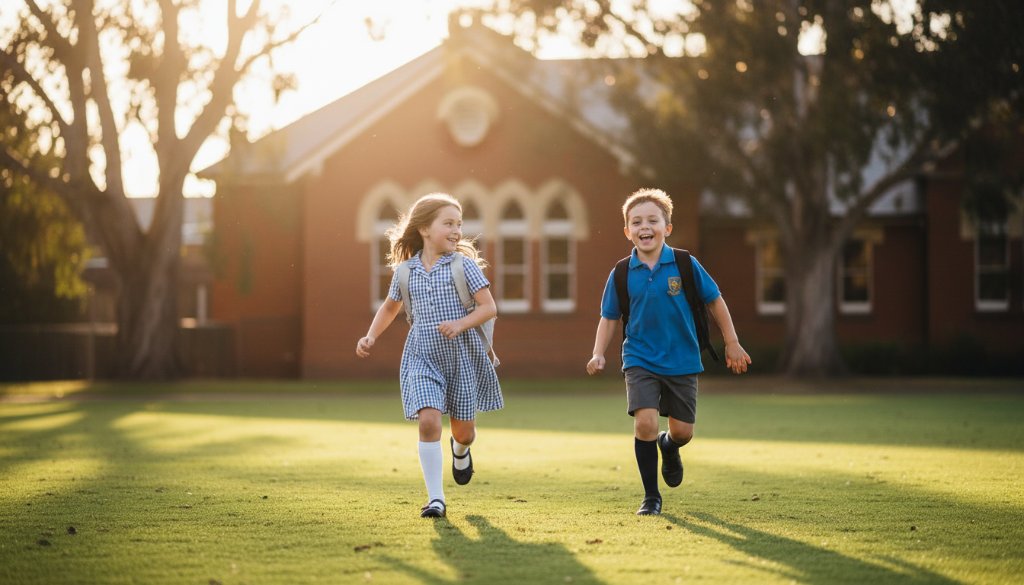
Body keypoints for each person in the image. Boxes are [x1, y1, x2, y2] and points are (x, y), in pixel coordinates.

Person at [586, 188, 751, 516]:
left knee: (682, 432)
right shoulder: (621, 272)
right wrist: (598, 353)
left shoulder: (685, 264)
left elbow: (714, 300)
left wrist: (731, 341)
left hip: (682, 358)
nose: (644, 226)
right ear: (627, 231)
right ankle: (651, 497)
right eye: (636, 222)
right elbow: (609, 316)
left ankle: (669, 445)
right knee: (644, 423)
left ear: (667, 227)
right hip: (640, 358)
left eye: (652, 220)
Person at [356, 193, 503, 519]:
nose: (456, 231)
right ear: (424, 228)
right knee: (428, 422)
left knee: (464, 432)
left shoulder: (463, 266)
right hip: (421, 357)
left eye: (459, 224)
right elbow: (390, 307)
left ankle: (460, 450)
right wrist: (370, 336)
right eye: (448, 223)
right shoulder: (406, 271)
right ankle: (436, 499)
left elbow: (489, 307)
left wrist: (460, 323)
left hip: (461, 357)